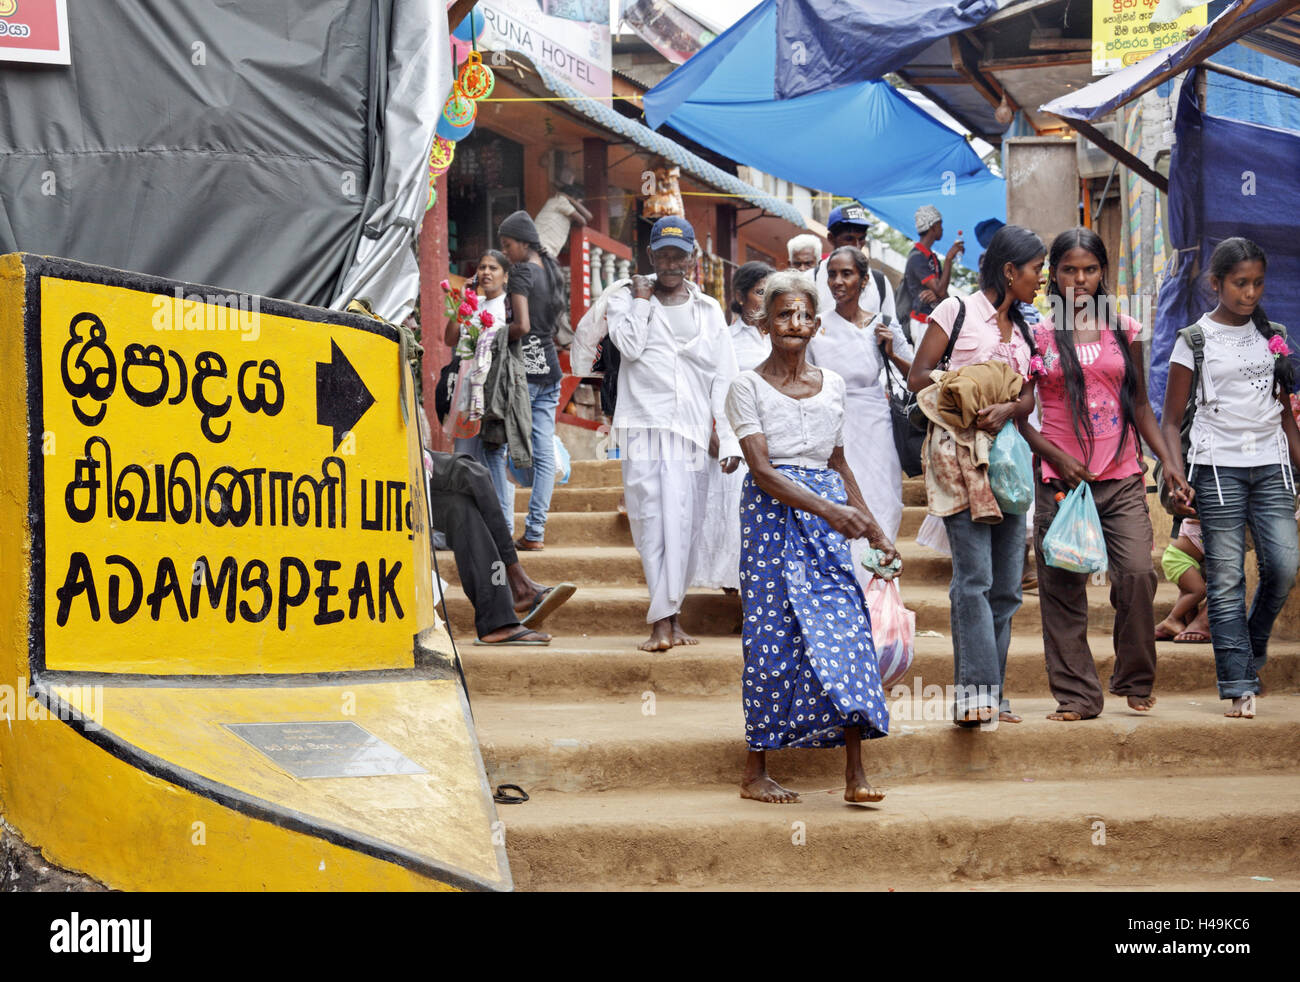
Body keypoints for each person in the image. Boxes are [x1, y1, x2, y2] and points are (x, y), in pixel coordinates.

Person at [725, 270, 897, 804]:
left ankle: (855, 774)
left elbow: (840, 463)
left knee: (847, 630)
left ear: (816, 324)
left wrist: (871, 526)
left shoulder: (835, 387)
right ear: (765, 322)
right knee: (772, 638)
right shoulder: (745, 386)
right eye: (783, 315)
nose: (793, 324)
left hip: (827, 517)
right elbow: (762, 472)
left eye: (802, 315)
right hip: (773, 519)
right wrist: (833, 512)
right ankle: (756, 770)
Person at [1020, 227, 1190, 721]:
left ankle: (1134, 678)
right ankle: (1077, 696)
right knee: (1062, 588)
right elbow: (1020, 412)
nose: (1079, 279)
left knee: (1137, 575)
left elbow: (1140, 404)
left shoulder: (1123, 327)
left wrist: (1170, 465)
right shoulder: (1037, 330)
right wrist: (1053, 456)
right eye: (1068, 269)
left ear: (1102, 273)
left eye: (1089, 269)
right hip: (1060, 481)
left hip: (1120, 475)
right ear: (1053, 273)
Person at [907, 224, 1044, 726]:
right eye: (1035, 270)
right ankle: (974, 695)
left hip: (1009, 463)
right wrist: (975, 390)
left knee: (1007, 586)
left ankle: (996, 695)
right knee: (974, 579)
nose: (1040, 279)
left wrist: (1009, 407)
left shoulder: (1029, 326)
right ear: (1010, 271)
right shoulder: (956, 310)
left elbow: (1030, 396)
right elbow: (917, 375)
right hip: (960, 457)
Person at [1160, 236, 1300, 719]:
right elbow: (1170, 418)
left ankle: (1252, 646)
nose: (1250, 293)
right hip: (1218, 466)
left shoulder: (1274, 336)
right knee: (1224, 578)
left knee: (1282, 566)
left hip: (1272, 464)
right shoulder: (1193, 341)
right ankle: (1238, 681)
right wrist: (1175, 474)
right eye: (1241, 283)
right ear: (1215, 284)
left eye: (1258, 283)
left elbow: (1285, 416)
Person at [606, 216, 742, 652]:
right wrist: (644, 301)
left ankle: (672, 619)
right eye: (662, 254)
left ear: (691, 258)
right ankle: (661, 621)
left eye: (678, 254)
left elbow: (725, 376)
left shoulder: (708, 310)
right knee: (651, 523)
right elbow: (627, 347)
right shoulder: (625, 297)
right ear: (650, 255)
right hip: (643, 425)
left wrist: (728, 433)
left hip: (691, 430)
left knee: (685, 523)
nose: (670, 262)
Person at [808, 246, 912, 587]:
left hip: (875, 423)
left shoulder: (882, 324)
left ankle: (880, 589)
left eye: (847, 274)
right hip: (830, 425)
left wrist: (892, 351)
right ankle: (845, 595)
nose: (838, 281)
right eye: (833, 274)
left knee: (885, 500)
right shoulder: (816, 326)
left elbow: (916, 376)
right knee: (838, 503)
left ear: (864, 280)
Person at [425, 449, 575, 645]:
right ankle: (518, 582)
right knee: (473, 472)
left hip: (403, 455)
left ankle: (496, 622)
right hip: (388, 456)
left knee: (460, 507)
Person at [693, 261, 774, 592]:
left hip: (776, 440)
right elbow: (707, 391)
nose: (765, 300)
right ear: (740, 297)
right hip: (736, 440)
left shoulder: (783, 337)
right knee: (734, 518)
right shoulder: (724, 338)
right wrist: (713, 435)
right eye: (759, 293)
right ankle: (739, 596)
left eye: (771, 293)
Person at [498, 210, 564, 551]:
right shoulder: (550, 272)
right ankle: (535, 531)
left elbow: (521, 326)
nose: (505, 253)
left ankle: (507, 525)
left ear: (523, 242)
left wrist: (492, 335)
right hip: (550, 369)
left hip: (525, 372)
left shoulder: (522, 273)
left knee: (501, 444)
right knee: (543, 449)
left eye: (508, 245)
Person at [445, 249, 514, 529]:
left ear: (505, 276)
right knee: (462, 459)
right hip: (466, 392)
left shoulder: (509, 309)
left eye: (493, 268)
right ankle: (460, 527)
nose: (486, 272)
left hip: (493, 393)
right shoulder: (475, 305)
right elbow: (449, 338)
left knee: (493, 460)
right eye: (482, 267)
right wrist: (459, 307)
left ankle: (502, 526)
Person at [812, 204, 897, 326]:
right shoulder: (811, 279)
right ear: (831, 238)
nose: (857, 245)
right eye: (849, 239)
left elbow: (891, 327)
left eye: (861, 239)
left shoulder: (880, 282)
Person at [899, 204, 964, 342]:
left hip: (932, 320)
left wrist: (937, 294)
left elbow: (943, 294)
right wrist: (948, 259)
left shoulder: (931, 257)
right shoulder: (917, 257)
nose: (942, 229)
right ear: (933, 227)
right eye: (940, 225)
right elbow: (941, 290)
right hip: (921, 322)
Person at [1156, 518, 1212, 643]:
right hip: (1177, 558)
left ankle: (1183, 627)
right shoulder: (1193, 516)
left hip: (1187, 560)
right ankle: (1172, 619)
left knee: (1189, 595)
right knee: (1199, 591)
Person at [534, 183, 593, 259]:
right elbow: (586, 219)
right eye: (579, 203)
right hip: (543, 246)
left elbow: (588, 217)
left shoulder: (559, 205)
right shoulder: (561, 200)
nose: (579, 206)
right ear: (573, 198)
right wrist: (570, 199)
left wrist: (570, 199)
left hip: (544, 247)